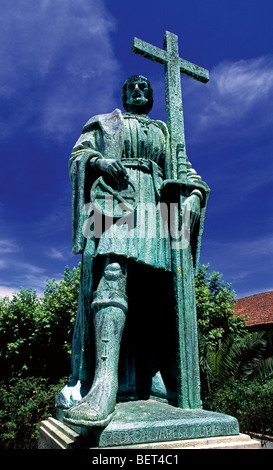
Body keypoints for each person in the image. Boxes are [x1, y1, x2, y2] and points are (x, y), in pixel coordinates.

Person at [56, 75, 208, 427]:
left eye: (145, 87)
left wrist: (196, 195)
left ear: (152, 97)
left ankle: (158, 382)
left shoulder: (165, 134)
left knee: (157, 293)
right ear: (124, 94)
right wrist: (99, 163)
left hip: (158, 208)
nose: (139, 90)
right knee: (112, 274)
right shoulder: (107, 123)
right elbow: (79, 155)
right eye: (132, 87)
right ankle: (104, 384)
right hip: (115, 198)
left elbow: (186, 172)